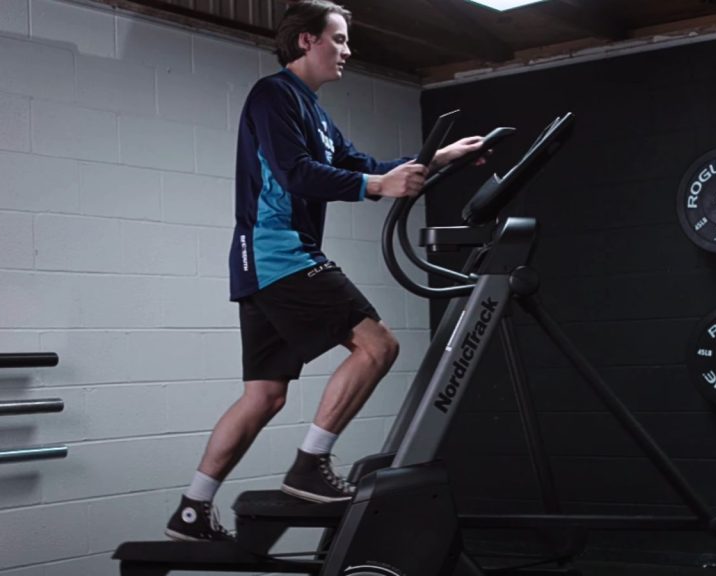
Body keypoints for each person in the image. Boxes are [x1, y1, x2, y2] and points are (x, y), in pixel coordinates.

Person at [166, 0, 485, 542]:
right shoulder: (273, 95)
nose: (347, 50)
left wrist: (441, 158)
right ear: (306, 41)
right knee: (379, 346)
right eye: (338, 39)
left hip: (262, 263)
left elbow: (366, 168)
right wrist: (377, 188)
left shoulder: (314, 112)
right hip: (280, 252)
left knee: (264, 395)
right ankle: (309, 465)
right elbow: (295, 173)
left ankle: (193, 509)